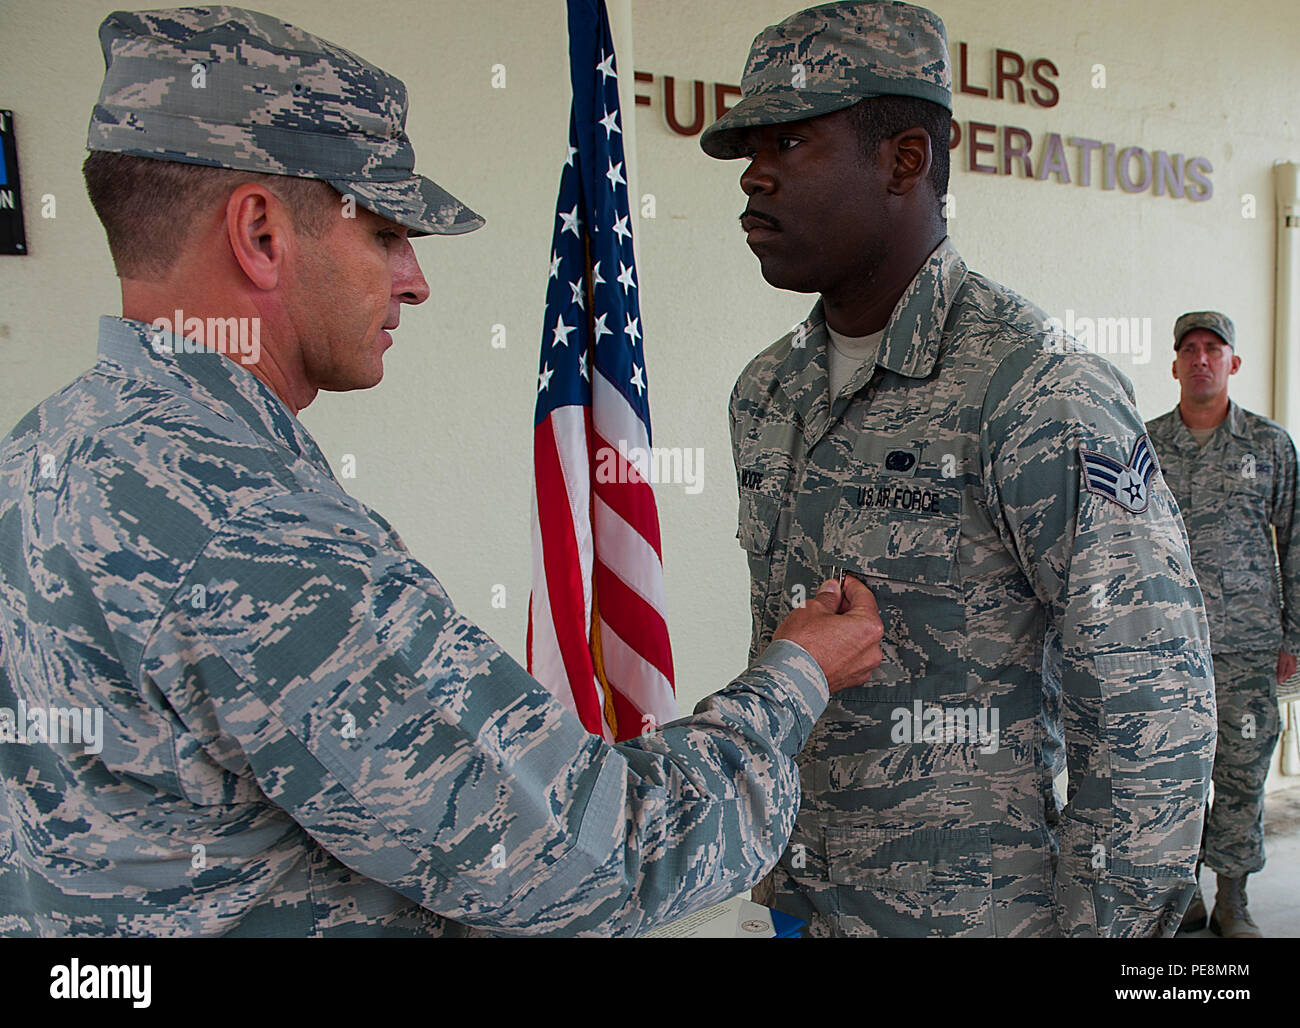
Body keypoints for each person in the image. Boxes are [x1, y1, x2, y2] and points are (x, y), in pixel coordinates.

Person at [0, 6, 886, 938]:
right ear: (260, 233)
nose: (414, 279)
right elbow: (598, 858)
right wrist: (794, 680)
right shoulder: (253, 524)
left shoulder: (47, 451)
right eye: (386, 232)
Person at [701, 0, 1216, 937]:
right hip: (805, 901)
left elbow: (1152, 707)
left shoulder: (1035, 392)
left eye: (789, 142)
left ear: (906, 159)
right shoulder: (767, 394)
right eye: (748, 152)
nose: (756, 179)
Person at [1147, 311, 1299, 938]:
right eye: (1190, 349)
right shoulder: (1144, 443)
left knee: (1240, 773)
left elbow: (1295, 542)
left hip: (1247, 645)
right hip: (1164, 646)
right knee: (1168, 772)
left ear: (1233, 363)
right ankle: (1182, 896)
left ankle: (1232, 900)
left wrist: (1296, 638)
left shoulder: (1269, 445)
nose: (1202, 358)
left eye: (1215, 348)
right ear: (1176, 364)